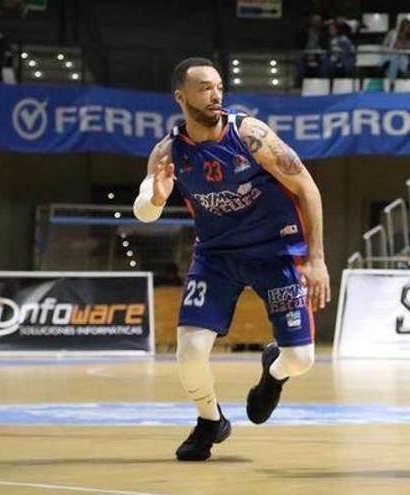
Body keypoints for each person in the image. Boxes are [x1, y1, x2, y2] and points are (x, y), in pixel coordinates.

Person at [133, 58, 330, 462]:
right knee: (188, 351)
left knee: (302, 359)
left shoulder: (251, 135)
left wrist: (317, 258)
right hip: (217, 256)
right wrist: (156, 196)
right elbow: (144, 211)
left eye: (219, 86)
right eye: (204, 87)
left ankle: (272, 373)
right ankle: (210, 421)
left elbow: (307, 187)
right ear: (181, 97)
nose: (215, 94)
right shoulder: (168, 151)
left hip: (276, 253)